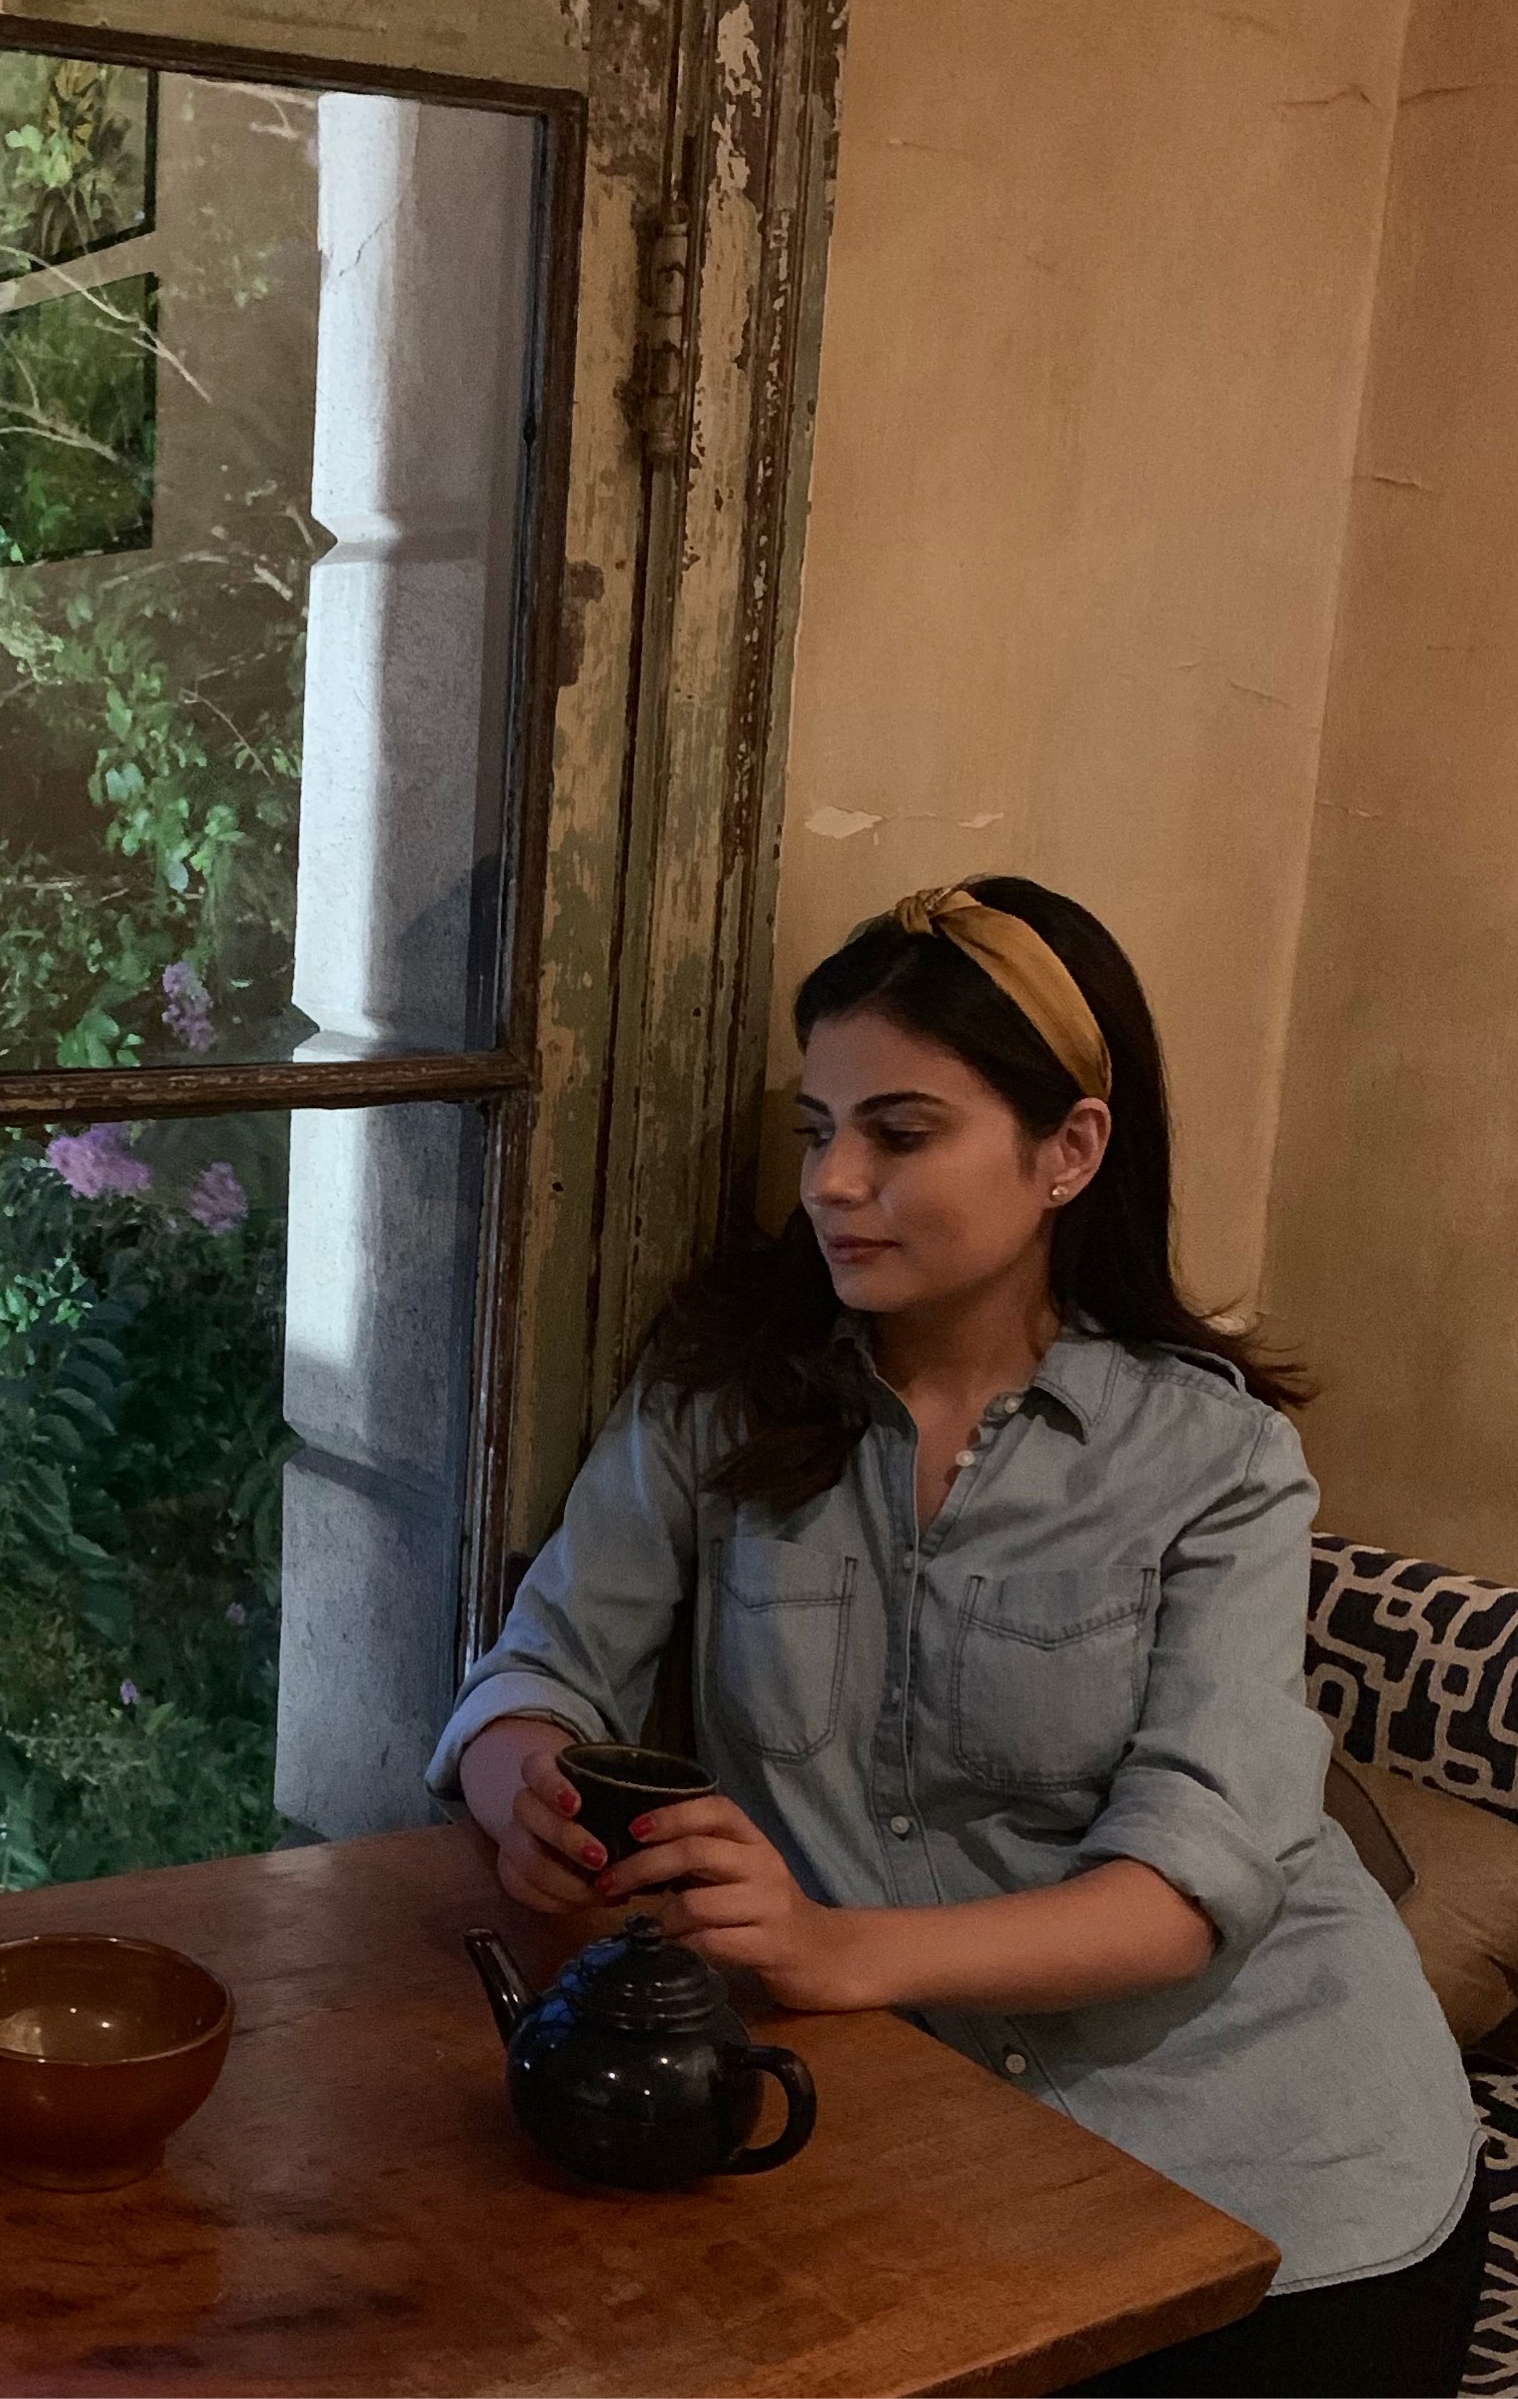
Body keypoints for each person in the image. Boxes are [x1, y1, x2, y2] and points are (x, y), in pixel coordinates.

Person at [435, 880, 1486, 2399]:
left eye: (900, 1133)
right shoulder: (720, 1391)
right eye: (815, 1129)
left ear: (1069, 1150)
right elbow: (537, 1672)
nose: (829, 1183)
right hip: (917, 2149)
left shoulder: (1216, 1457)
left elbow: (1191, 1881)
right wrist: (522, 1791)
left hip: (1276, 2176)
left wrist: (827, 1946)